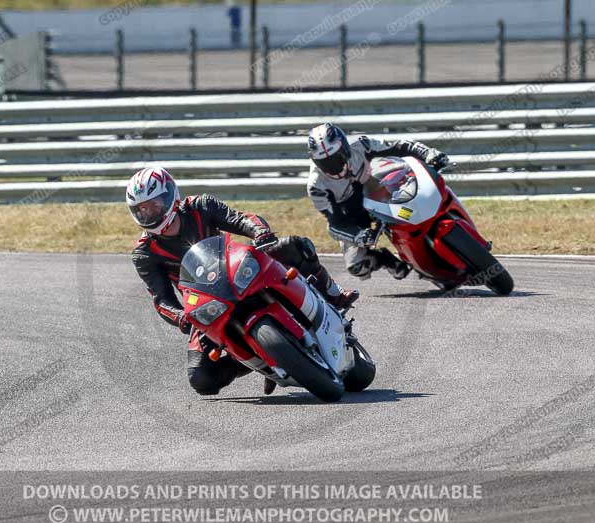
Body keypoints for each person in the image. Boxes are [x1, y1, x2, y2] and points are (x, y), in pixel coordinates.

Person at [128, 166, 358, 396]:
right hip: (206, 305)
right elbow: (161, 300)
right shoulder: (144, 253)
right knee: (201, 377)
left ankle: (333, 293)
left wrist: (260, 233)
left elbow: (239, 219)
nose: (149, 212)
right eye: (142, 209)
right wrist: (181, 317)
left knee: (295, 246)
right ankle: (261, 362)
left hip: (237, 270)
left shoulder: (200, 205)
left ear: (171, 196)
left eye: (154, 204)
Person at [306, 123, 449, 280]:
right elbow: (335, 224)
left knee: (409, 210)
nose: (333, 166)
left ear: (345, 148)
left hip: (379, 191)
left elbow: (399, 146)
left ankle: (437, 213)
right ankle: (386, 259)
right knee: (357, 267)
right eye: (325, 163)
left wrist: (428, 153)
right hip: (353, 214)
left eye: (336, 158)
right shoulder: (316, 186)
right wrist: (357, 235)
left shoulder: (361, 145)